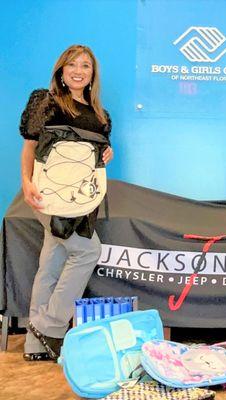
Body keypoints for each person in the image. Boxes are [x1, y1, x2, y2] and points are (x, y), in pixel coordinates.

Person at [20, 45, 113, 361]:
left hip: (82, 199)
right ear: (61, 71)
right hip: (48, 195)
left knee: (53, 260)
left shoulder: (100, 116)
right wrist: (26, 182)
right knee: (88, 251)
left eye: (85, 65)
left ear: (92, 75)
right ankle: (50, 326)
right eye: (71, 64)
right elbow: (30, 147)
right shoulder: (45, 102)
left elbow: (94, 158)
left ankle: (36, 345)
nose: (78, 70)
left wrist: (107, 154)